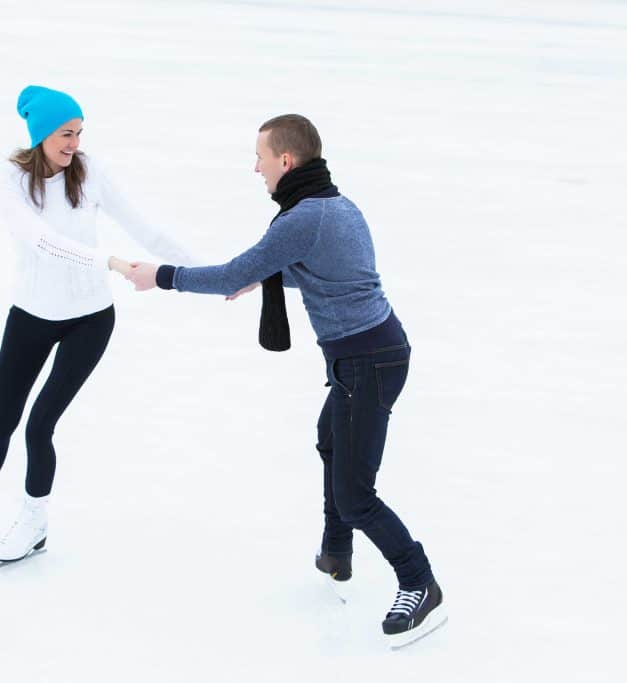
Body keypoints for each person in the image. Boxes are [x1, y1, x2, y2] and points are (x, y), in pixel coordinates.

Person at [126, 114, 445, 647]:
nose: (256, 168)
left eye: (260, 157)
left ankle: (419, 582)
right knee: (330, 443)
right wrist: (266, 275)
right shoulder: (336, 205)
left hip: (368, 361)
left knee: (356, 495)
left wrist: (161, 277)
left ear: (286, 161)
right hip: (367, 356)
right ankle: (336, 552)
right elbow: (328, 270)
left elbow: (232, 271)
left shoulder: (302, 219)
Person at [0, 85, 194, 565]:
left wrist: (203, 272)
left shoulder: (89, 172)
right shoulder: (8, 181)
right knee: (0, 420)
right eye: (66, 134)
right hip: (30, 315)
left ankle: (34, 524)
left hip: (89, 321)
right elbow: (41, 240)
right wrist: (108, 261)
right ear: (41, 134)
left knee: (39, 425)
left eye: (79, 133)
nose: (74, 144)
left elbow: (142, 227)